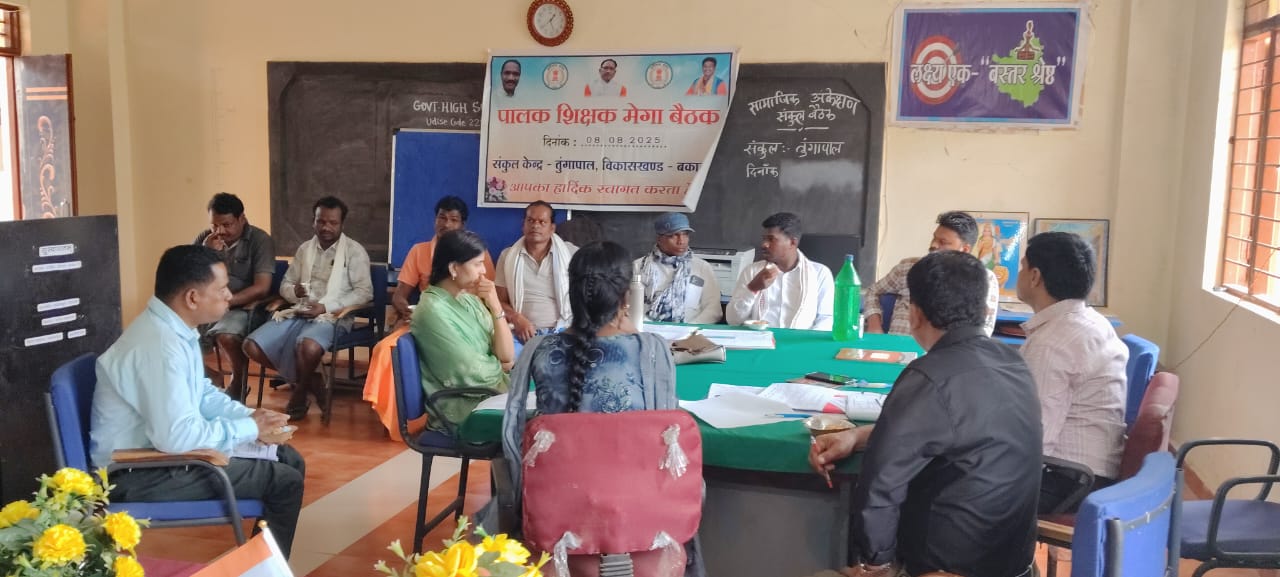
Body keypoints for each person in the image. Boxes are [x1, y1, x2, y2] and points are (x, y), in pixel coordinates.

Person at [809, 250, 1041, 577]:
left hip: (945, 568)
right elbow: (954, 432)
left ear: (915, 314)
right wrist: (857, 436)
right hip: (1017, 565)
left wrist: (876, 562)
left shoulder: (928, 376)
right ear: (983, 309)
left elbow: (880, 485)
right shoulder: (1013, 363)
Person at [91, 245, 304, 558]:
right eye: (222, 289)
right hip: (134, 472)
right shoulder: (159, 347)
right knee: (283, 481)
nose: (230, 295)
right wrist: (247, 429)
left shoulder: (174, 329)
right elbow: (177, 437)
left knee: (288, 458)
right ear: (192, 297)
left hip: (157, 456)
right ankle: (264, 569)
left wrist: (250, 417)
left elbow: (200, 393)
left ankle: (261, 565)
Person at [500, 241, 697, 574]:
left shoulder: (540, 350)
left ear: (572, 291)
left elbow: (514, 441)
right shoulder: (652, 350)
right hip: (641, 523)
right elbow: (663, 436)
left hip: (557, 526)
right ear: (625, 296)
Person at [363, 196, 495, 440]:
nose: (446, 224)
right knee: (385, 349)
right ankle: (396, 419)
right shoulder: (419, 251)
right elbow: (400, 295)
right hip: (426, 319)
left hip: (465, 322)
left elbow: (487, 294)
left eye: (453, 219)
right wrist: (406, 310)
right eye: (442, 217)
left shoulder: (478, 254)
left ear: (463, 225)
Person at [1017, 231, 1128, 511]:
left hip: (1065, 481)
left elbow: (1036, 436)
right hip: (1091, 474)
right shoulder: (1091, 321)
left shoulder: (1052, 343)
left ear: (1035, 276)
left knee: (948, 485)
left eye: (1022, 267)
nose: (1019, 274)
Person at [244, 196, 373, 421]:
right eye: (321, 221)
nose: (326, 227)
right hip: (299, 311)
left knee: (308, 346)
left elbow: (364, 293)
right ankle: (312, 380)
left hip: (333, 317)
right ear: (313, 221)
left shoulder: (354, 251)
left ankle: (300, 393)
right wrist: (295, 292)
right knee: (251, 345)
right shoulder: (305, 249)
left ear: (342, 224)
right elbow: (286, 285)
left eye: (332, 222)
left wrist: (324, 306)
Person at [412, 230, 514, 431]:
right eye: (477, 264)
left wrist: (496, 307)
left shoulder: (469, 300)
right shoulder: (432, 310)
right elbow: (473, 374)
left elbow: (507, 354)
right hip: (463, 409)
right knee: (537, 424)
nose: (483, 271)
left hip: (489, 395)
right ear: (453, 268)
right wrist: (502, 366)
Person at [862, 211, 1000, 336]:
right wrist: (874, 326)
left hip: (944, 352)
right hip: (896, 349)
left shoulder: (983, 278)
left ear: (964, 250)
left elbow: (984, 329)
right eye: (934, 238)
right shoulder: (908, 267)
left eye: (943, 242)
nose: (933, 244)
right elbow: (873, 291)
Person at [194, 192, 276, 401]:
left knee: (226, 335)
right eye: (215, 225)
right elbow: (189, 280)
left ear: (242, 219)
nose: (220, 231)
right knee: (175, 331)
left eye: (227, 225)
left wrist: (226, 302)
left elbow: (261, 287)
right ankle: (207, 377)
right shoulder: (206, 240)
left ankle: (238, 381)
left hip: (244, 308)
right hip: (208, 306)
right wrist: (206, 254)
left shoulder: (259, 240)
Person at [726, 212, 834, 330]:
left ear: (792, 242)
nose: (764, 244)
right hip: (760, 338)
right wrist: (752, 289)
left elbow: (826, 318)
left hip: (802, 339)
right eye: (764, 239)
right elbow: (732, 320)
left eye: (771, 239)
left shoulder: (819, 274)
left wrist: (806, 340)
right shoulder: (752, 271)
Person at [495, 201, 578, 343]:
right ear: (523, 225)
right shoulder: (507, 256)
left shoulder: (571, 254)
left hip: (563, 330)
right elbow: (499, 302)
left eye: (542, 222)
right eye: (530, 221)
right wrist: (516, 318)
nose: (535, 226)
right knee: (506, 353)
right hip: (520, 332)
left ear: (552, 228)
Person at [633, 212, 722, 324]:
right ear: (659, 239)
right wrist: (648, 328)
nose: (681, 241)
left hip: (692, 331)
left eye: (685, 234)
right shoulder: (639, 267)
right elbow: (628, 306)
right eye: (674, 235)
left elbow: (713, 310)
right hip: (647, 330)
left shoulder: (701, 267)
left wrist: (689, 330)